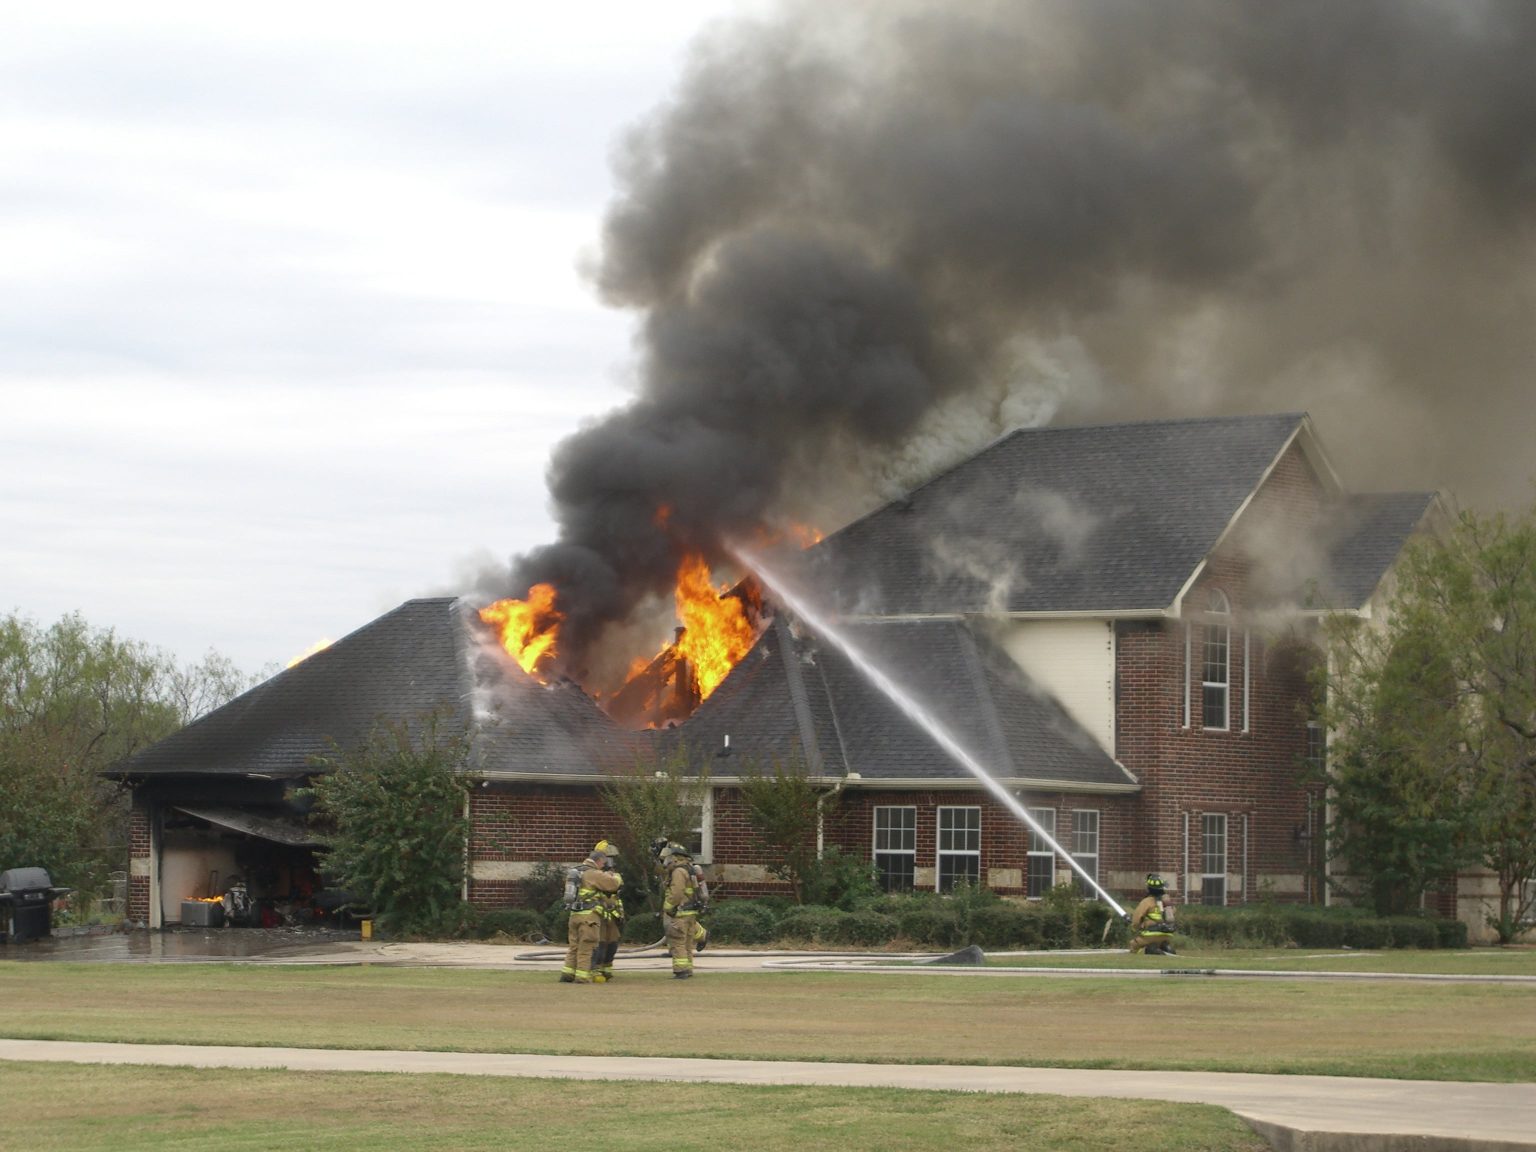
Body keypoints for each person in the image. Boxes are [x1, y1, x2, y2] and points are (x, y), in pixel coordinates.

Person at [560, 840, 622, 984]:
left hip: (574, 915)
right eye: (603, 863)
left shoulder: (575, 872)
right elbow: (613, 885)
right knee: (586, 947)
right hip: (589, 917)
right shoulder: (593, 873)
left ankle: (567, 974)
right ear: (599, 861)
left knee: (573, 946)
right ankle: (582, 976)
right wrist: (616, 876)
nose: (603, 866)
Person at [657, 841, 707, 979]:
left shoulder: (678, 871)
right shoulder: (688, 868)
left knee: (678, 942)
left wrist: (668, 907)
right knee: (687, 943)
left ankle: (680, 971)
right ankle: (688, 969)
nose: (665, 862)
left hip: (679, 913)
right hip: (690, 913)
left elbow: (677, 893)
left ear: (674, 857)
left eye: (667, 858)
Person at [1129, 873, 1177, 956]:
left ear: (1149, 888)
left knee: (1134, 944)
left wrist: (1134, 928)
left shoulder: (1146, 901)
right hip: (1166, 935)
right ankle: (1165, 947)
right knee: (1161, 942)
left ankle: (1151, 950)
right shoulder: (1167, 902)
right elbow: (1173, 913)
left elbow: (1136, 919)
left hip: (1149, 935)